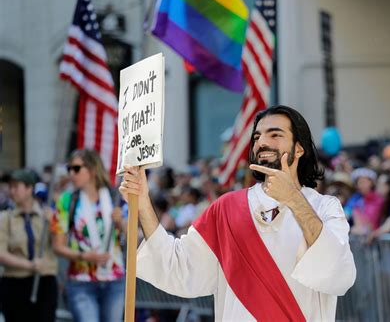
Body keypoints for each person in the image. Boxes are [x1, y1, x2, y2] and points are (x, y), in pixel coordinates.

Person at [121, 105, 356, 321]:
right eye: (257, 136)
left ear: (299, 148)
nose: (262, 141)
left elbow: (337, 273)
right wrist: (143, 203)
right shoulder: (226, 208)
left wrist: (293, 199)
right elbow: (180, 267)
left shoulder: (326, 207)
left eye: (275, 134)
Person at [51, 149, 126, 322]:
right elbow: (57, 246)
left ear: (92, 169)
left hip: (114, 279)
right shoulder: (66, 200)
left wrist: (121, 223)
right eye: (69, 168)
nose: (71, 173)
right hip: (80, 281)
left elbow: (133, 237)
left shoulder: (116, 197)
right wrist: (84, 256)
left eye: (76, 168)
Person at [0, 169, 58, 322]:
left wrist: (54, 225)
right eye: (9, 187)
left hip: (44, 281)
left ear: (29, 189)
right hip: (15, 282)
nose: (11, 191)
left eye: (16, 187)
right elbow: (1, 253)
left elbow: (59, 245)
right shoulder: (6, 218)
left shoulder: (46, 215)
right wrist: (29, 265)